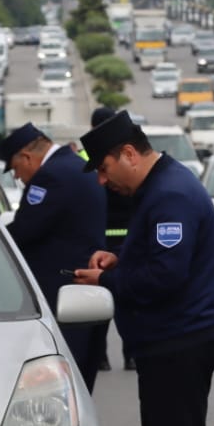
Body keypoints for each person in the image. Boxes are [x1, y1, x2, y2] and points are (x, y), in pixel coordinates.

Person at [74, 111, 214, 426]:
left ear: (130, 155)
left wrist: (109, 280)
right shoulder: (159, 189)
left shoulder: (172, 195)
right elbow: (158, 260)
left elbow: (166, 278)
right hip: (166, 343)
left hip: (178, 343)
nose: (101, 179)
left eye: (103, 167)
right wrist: (121, 259)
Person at [0, 122, 106, 392]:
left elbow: (24, 232)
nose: (19, 178)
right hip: (86, 294)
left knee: (59, 389)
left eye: (15, 170)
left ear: (26, 157)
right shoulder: (75, 164)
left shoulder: (51, 176)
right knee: (79, 382)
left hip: (61, 295)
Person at [87, 107, 135, 371]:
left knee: (98, 302)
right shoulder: (125, 155)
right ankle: (131, 355)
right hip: (125, 238)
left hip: (101, 241)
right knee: (127, 301)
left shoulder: (88, 155)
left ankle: (101, 357)